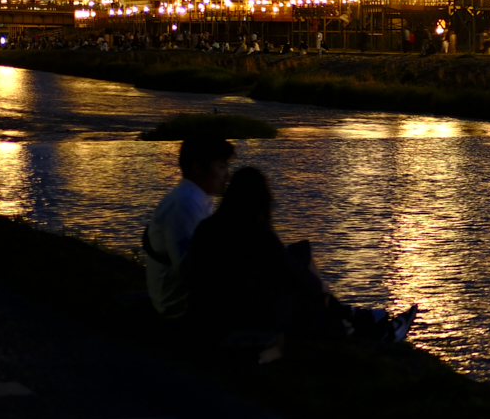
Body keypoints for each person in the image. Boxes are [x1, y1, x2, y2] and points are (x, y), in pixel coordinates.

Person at [181, 166, 416, 348]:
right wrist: (322, 291)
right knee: (301, 294)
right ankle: (362, 325)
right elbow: (288, 269)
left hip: (213, 311)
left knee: (301, 253)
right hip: (240, 317)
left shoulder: (207, 227)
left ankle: (352, 317)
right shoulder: (255, 232)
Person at [143, 134, 234, 318]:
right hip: (179, 305)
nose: (227, 174)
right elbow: (189, 269)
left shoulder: (194, 199)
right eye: (222, 166)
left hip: (185, 298)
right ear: (198, 168)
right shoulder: (184, 203)